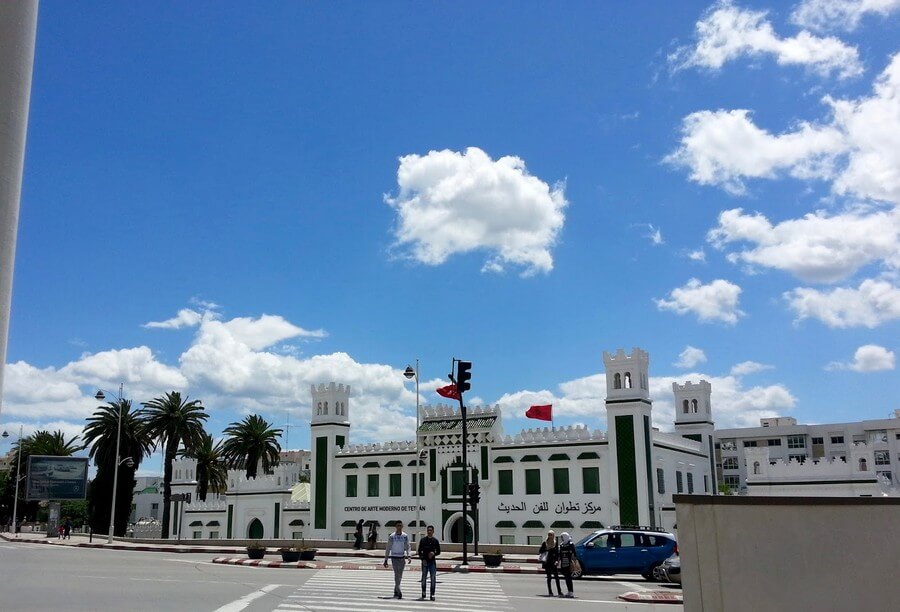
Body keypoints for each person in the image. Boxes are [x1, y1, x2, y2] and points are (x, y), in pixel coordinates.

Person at [382, 521, 411, 599]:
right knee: (396, 574)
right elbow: (388, 548)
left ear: (402, 526)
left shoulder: (405, 536)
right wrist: (386, 559)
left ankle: (395, 590)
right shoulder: (392, 536)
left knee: (400, 575)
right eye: (398, 525)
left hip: (401, 557)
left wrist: (409, 555)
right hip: (394, 557)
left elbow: (408, 546)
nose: (399, 527)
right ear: (396, 527)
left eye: (400, 526)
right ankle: (399, 590)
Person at [417, 525, 441, 601]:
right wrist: (422, 559)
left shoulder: (435, 541)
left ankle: (432, 594)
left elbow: (439, 551)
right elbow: (419, 551)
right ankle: (423, 591)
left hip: (432, 562)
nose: (429, 532)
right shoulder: (423, 540)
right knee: (424, 578)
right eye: (428, 530)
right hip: (425, 562)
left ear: (433, 531)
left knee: (433, 578)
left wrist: (434, 553)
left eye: (431, 530)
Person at [539, 530, 562, 597]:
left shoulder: (555, 543)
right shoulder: (545, 543)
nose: (550, 536)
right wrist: (547, 549)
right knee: (549, 577)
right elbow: (540, 551)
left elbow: (557, 553)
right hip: (547, 562)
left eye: (551, 535)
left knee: (556, 577)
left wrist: (557, 560)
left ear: (553, 535)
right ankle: (550, 591)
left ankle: (559, 591)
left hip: (553, 562)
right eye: (549, 535)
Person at [557, 532, 576, 598]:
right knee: (566, 577)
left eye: (562, 537)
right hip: (563, 563)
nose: (562, 539)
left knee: (568, 578)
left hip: (569, 563)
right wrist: (558, 561)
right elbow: (559, 555)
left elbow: (574, 554)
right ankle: (569, 591)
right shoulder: (561, 545)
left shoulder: (571, 544)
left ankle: (571, 592)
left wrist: (574, 563)